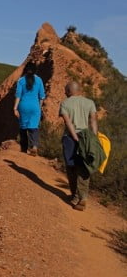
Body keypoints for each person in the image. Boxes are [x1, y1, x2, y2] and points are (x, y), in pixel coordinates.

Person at [59, 81, 99, 211]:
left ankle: (75, 196)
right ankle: (82, 197)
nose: (65, 93)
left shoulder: (65, 103)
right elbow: (93, 121)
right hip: (86, 137)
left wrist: (75, 137)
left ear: (70, 91)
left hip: (70, 138)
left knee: (71, 166)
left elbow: (67, 122)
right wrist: (93, 138)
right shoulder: (90, 103)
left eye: (66, 91)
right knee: (83, 166)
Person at [13, 62, 46, 155]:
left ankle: (24, 149)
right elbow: (42, 96)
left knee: (23, 128)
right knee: (34, 127)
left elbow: (18, 95)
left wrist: (15, 108)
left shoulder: (21, 80)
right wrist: (39, 108)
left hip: (23, 107)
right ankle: (34, 146)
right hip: (35, 106)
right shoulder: (39, 80)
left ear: (25, 69)